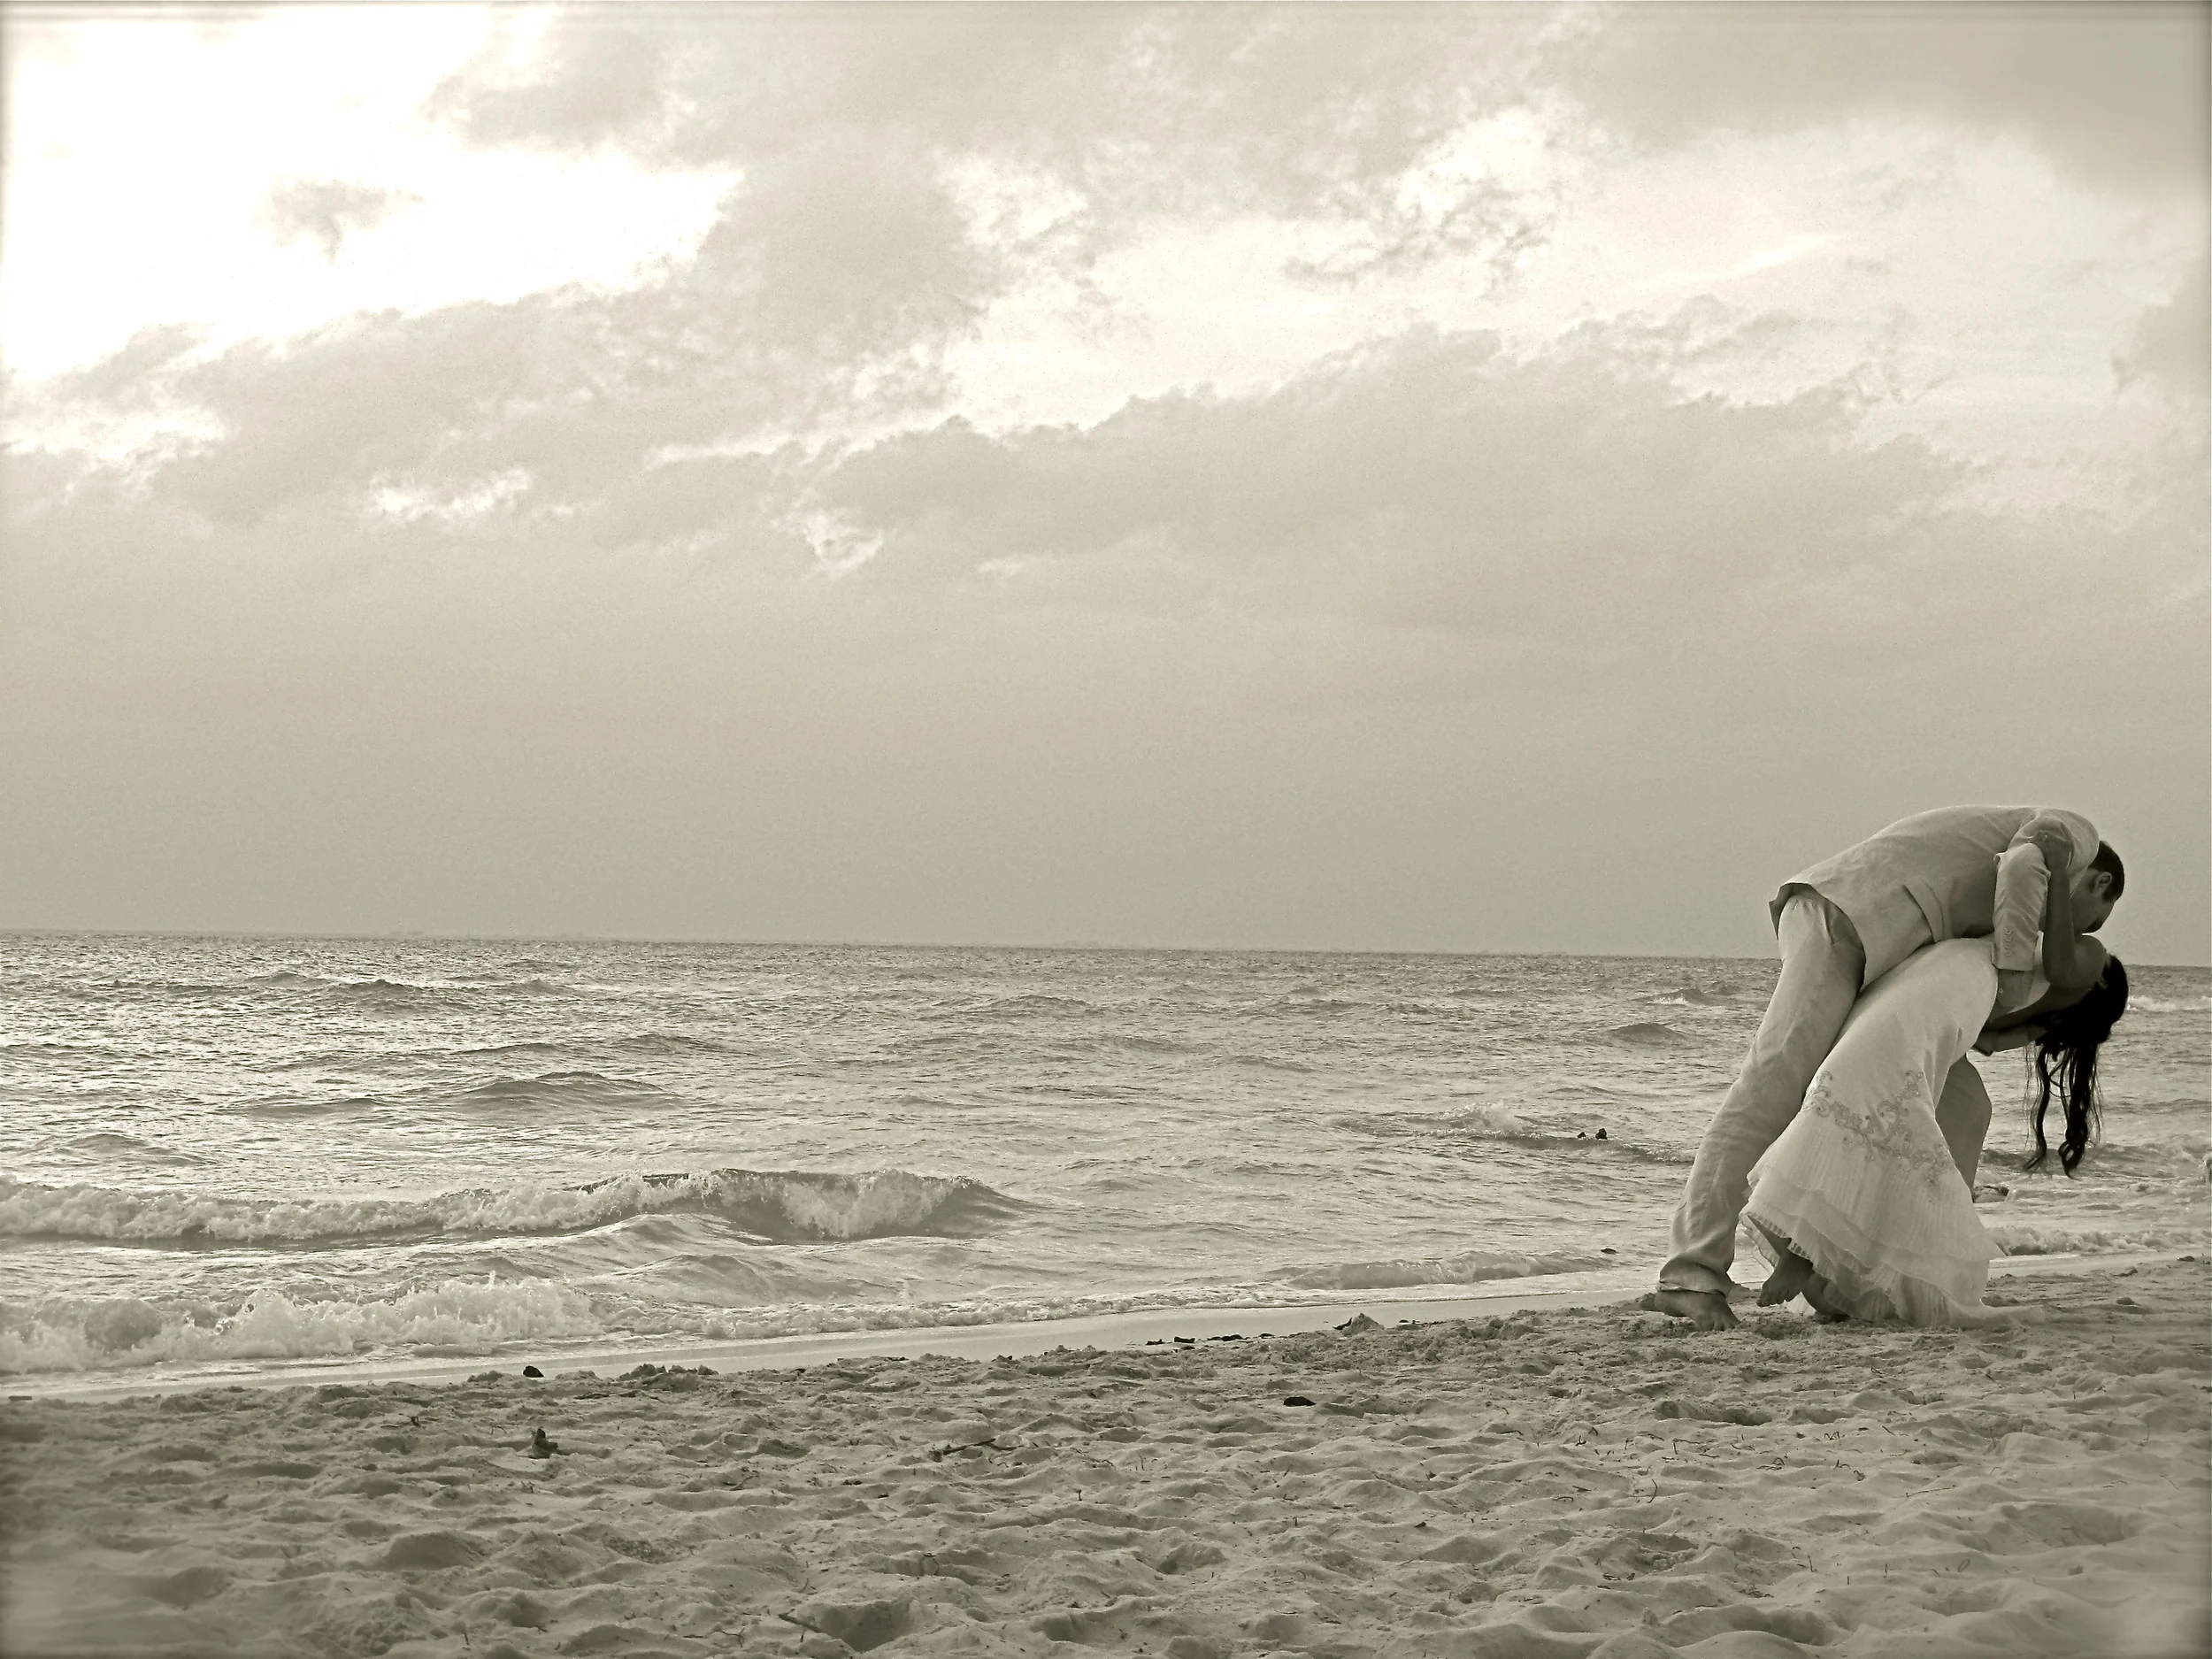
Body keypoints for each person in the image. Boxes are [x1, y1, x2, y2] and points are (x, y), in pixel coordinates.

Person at [1653, 807, 2124, 1331]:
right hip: (1849, 918)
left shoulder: (2040, 897)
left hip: (1882, 949)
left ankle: (1864, 1272)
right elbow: (2019, 869)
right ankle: (1690, 1275)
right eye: (2095, 919)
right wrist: (2014, 981)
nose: (2082, 930)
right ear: (2100, 883)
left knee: (1964, 1106)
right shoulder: (2074, 834)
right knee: (1769, 1092)